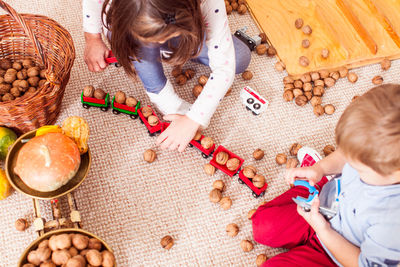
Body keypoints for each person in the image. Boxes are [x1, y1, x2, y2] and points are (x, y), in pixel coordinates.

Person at [252, 84, 400, 267]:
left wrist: (323, 231)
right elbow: (345, 155)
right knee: (262, 226)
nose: (350, 166)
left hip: (336, 253)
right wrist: (319, 169)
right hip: (323, 205)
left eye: (358, 168)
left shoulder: (393, 223)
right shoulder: (372, 159)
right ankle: (322, 180)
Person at [82, 0, 251, 151]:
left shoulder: (208, 3)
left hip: (184, 26)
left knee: (240, 58)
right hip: (128, 27)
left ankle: (171, 43)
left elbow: (224, 67)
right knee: (140, 48)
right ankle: (161, 94)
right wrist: (92, 38)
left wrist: (194, 119)